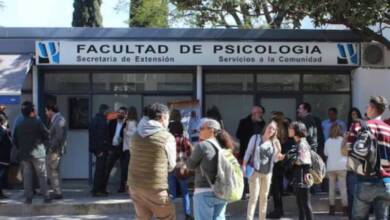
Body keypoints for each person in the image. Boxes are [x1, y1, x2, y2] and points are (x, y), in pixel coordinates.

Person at [344, 96, 390, 220]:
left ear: (372, 108)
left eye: (367, 106)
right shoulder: (388, 129)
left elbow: (348, 151)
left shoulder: (359, 126)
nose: (366, 108)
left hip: (364, 179)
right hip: (386, 182)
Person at [128, 103, 176, 220]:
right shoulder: (167, 137)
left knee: (142, 218)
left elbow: (133, 155)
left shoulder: (135, 135)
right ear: (163, 117)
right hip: (156, 187)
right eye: (168, 118)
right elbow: (172, 165)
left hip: (134, 186)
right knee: (167, 216)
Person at [186, 118, 234, 220]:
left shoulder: (202, 146)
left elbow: (190, 165)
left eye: (202, 128)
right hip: (222, 191)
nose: (199, 130)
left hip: (204, 192)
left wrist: (191, 152)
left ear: (211, 130)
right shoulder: (224, 146)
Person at [242, 120, 284, 220]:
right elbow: (248, 152)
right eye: (270, 127)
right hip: (255, 172)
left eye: (274, 129)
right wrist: (243, 165)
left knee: (264, 198)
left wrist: (279, 157)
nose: (271, 130)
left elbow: (274, 159)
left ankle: (262, 218)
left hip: (268, 173)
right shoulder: (256, 138)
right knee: (253, 197)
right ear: (265, 127)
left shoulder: (273, 142)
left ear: (275, 132)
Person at [13, 101, 51, 204]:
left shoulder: (19, 124)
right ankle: (46, 197)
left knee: (27, 176)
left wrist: (22, 148)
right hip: (38, 153)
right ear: (32, 111)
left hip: (24, 154)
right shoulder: (37, 122)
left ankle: (28, 198)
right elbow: (47, 135)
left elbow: (15, 140)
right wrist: (45, 147)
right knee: (42, 176)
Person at [267, 111, 294, 218]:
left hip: (276, 158)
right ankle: (279, 209)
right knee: (279, 184)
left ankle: (278, 210)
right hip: (285, 158)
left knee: (276, 186)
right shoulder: (287, 126)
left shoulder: (273, 127)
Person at [167, 109, 192, 220]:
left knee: (171, 193)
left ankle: (170, 214)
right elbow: (188, 152)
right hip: (181, 166)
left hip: (170, 166)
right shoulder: (183, 137)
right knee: (185, 191)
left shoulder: (167, 137)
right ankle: (187, 214)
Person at [236, 105, 266, 199]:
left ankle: (255, 192)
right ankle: (243, 192)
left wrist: (260, 124)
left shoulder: (262, 123)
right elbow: (238, 134)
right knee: (244, 173)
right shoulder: (244, 122)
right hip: (246, 151)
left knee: (257, 173)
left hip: (258, 153)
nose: (261, 115)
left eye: (261, 113)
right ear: (254, 113)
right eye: (259, 113)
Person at [286, 121, 314, 220]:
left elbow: (303, 160)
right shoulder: (299, 142)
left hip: (303, 176)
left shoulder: (302, 143)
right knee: (301, 205)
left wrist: (290, 160)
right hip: (299, 175)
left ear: (296, 130)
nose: (288, 129)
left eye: (290, 128)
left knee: (305, 204)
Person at [341, 107, 363, 219]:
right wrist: (346, 139)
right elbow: (343, 150)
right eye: (352, 114)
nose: (354, 116)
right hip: (351, 164)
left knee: (357, 193)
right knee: (351, 192)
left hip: (360, 165)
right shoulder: (349, 129)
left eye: (356, 114)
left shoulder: (362, 127)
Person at [324, 123, 348, 215]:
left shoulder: (327, 141)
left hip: (331, 167)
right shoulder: (343, 140)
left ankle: (332, 209)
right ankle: (345, 209)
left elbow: (325, 153)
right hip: (342, 166)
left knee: (331, 188)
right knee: (343, 188)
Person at [45, 104, 67, 200]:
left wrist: (52, 148)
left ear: (51, 110)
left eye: (46, 111)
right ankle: (56, 191)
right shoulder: (56, 119)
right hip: (54, 149)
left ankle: (57, 192)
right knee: (53, 170)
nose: (46, 113)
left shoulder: (59, 119)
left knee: (53, 171)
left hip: (54, 150)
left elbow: (59, 136)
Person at [89, 104, 111, 197]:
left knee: (99, 170)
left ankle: (98, 189)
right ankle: (97, 190)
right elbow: (100, 137)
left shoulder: (95, 119)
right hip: (101, 149)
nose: (109, 113)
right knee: (100, 170)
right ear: (104, 111)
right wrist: (100, 150)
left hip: (98, 149)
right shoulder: (101, 121)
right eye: (108, 111)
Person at [105, 106, 128, 193]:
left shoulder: (127, 124)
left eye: (122, 113)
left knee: (124, 169)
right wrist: (108, 147)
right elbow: (108, 135)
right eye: (119, 112)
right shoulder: (112, 122)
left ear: (126, 114)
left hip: (123, 149)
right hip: (113, 148)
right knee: (107, 167)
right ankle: (103, 186)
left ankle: (122, 188)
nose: (120, 114)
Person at [122, 106, 138, 192]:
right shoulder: (131, 122)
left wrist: (125, 131)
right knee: (129, 169)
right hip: (129, 148)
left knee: (128, 169)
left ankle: (128, 188)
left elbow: (133, 133)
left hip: (128, 148)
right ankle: (128, 188)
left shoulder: (131, 122)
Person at [0, 114, 12, 200]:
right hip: (2, 157)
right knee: (1, 175)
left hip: (4, 157)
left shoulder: (3, 131)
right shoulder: (2, 131)